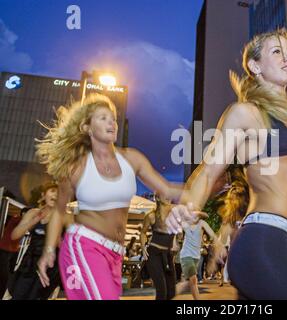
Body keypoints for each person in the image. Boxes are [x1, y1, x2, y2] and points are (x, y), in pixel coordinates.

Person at [165, 29, 287, 300]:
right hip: (261, 239)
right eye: (277, 51)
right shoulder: (245, 113)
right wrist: (188, 206)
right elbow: (209, 170)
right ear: (254, 65)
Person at [35, 93, 182, 300]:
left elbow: (167, 189)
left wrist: (207, 181)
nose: (111, 122)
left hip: (115, 255)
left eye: (112, 117)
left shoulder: (132, 158)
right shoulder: (77, 166)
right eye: (102, 117)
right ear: (87, 128)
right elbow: (60, 211)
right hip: (84, 245)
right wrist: (49, 250)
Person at [9, 182, 61, 300]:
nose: (56, 195)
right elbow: (14, 235)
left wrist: (57, 238)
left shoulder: (62, 217)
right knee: (17, 295)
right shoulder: (33, 212)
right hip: (29, 263)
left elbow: (66, 246)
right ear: (44, 195)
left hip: (50, 267)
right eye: (52, 191)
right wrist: (34, 220)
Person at [140, 195, 177, 300]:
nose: (168, 196)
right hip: (154, 255)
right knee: (162, 290)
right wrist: (143, 248)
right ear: (158, 198)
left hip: (168, 255)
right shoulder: (151, 216)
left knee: (171, 292)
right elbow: (143, 232)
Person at [179, 214, 221, 300]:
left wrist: (218, 244)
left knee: (191, 282)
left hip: (196, 256)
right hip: (186, 255)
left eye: (197, 216)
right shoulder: (185, 223)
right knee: (193, 280)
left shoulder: (202, 223)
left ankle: (170, 292)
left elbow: (211, 233)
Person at [0, 205, 24, 299]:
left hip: (14, 251)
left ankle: (4, 292)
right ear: (24, 214)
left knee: (10, 273)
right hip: (5, 249)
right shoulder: (16, 219)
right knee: (4, 274)